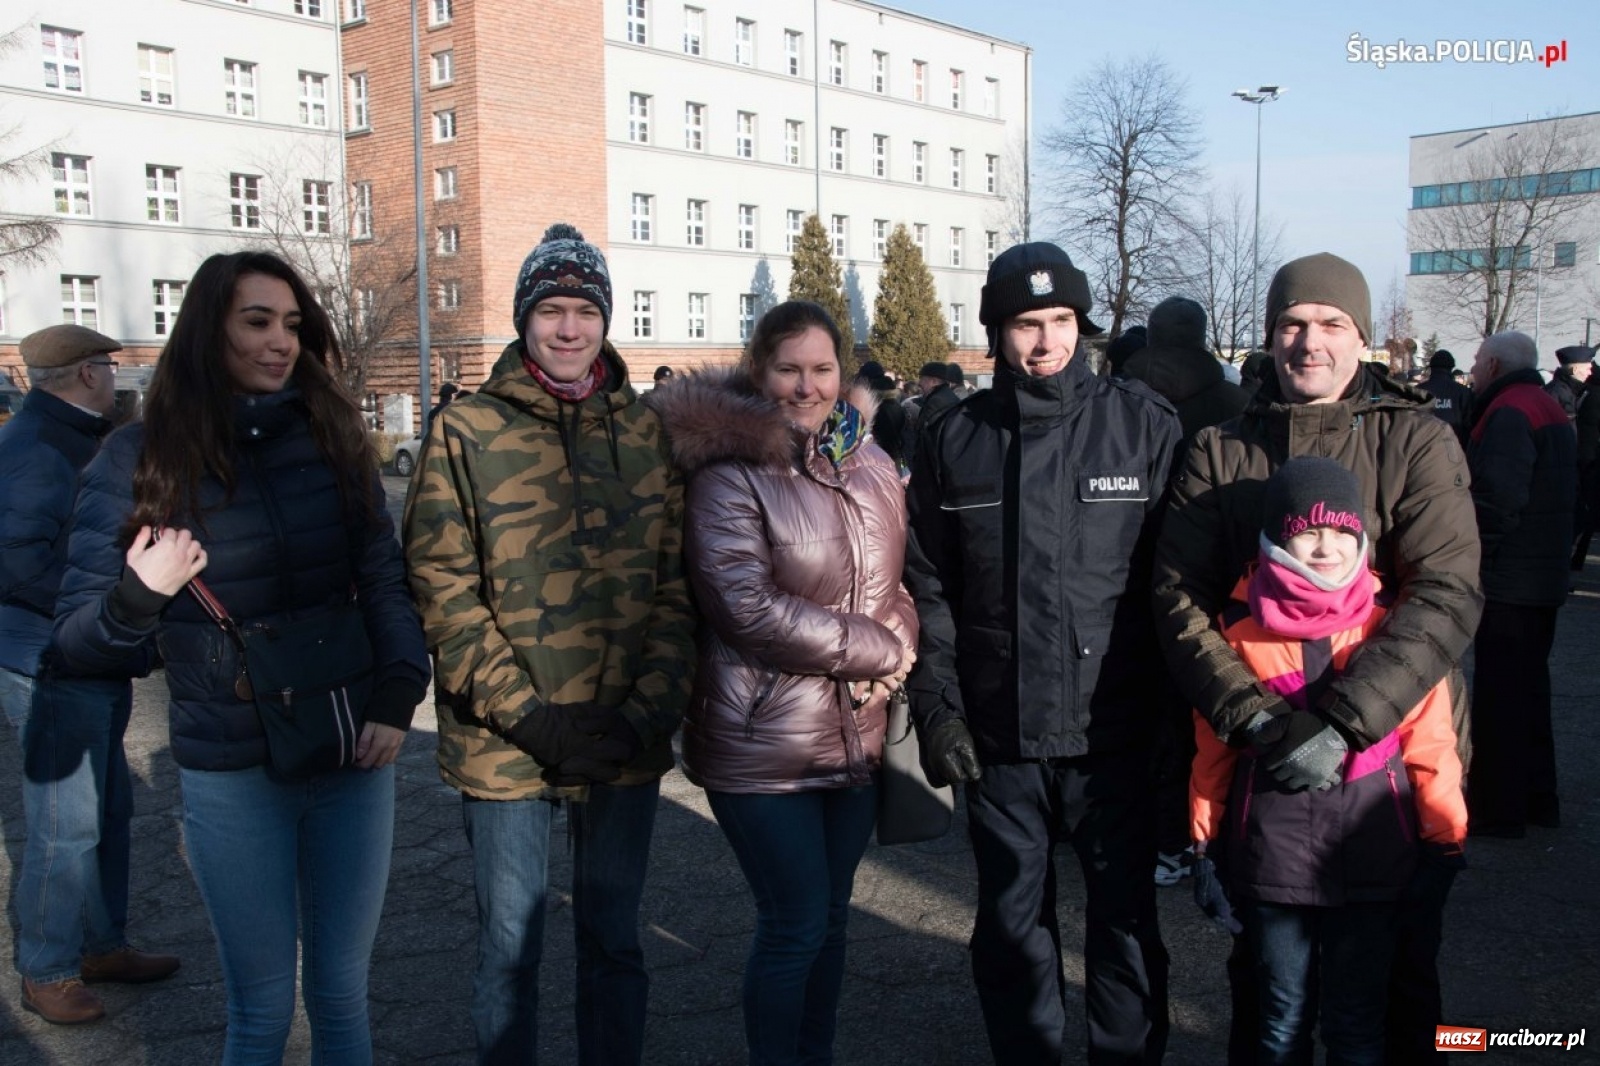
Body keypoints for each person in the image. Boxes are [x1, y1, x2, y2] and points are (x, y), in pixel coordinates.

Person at [51, 251, 430, 1062]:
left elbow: (384, 578)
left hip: (351, 748)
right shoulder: (137, 459)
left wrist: (398, 692)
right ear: (207, 330)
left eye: (292, 324)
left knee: (341, 995)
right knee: (260, 1009)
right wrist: (135, 597)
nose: (280, 341)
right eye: (256, 321)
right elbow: (75, 642)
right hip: (232, 769)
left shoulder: (332, 436)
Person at [1152, 252, 1482, 1063]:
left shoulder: (1418, 441)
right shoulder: (1219, 449)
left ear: (1362, 339)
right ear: (1269, 336)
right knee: (1267, 990)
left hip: (1388, 763)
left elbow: (1444, 595)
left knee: (1396, 983)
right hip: (1262, 769)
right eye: (1293, 323)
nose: (1311, 341)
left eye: (1333, 323)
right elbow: (1178, 600)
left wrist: (1342, 722)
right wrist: (1262, 722)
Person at [403, 223, 693, 1066]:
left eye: (585, 311)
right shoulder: (466, 434)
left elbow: (681, 590)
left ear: (606, 321)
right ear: (525, 318)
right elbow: (442, 589)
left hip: (620, 740)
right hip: (507, 746)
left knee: (613, 940)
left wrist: (645, 715)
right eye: (552, 310)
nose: (569, 329)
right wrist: (529, 718)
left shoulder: (648, 435)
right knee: (509, 951)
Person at [905, 241, 1177, 1063]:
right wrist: (937, 709)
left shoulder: (1143, 425)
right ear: (996, 331)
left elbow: (1174, 591)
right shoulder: (954, 436)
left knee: (1124, 924)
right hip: (1000, 738)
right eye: (1027, 323)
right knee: (1012, 927)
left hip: (1114, 736)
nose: (1047, 341)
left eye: (1062, 321)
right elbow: (929, 587)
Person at [651, 299, 916, 1066]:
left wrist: (899, 641)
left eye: (822, 368)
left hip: (856, 737)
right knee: (795, 921)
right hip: (761, 739)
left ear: (844, 370)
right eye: (788, 369)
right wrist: (876, 651)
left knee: (831, 918)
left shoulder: (867, 459)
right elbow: (745, 607)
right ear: (759, 371)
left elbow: (896, 583)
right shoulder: (730, 470)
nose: (807, 386)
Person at [1190, 456, 1467, 1063]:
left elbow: (1431, 744)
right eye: (1308, 530)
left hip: (1374, 857)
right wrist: (1205, 844)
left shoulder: (1390, 627)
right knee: (1281, 1019)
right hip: (1273, 859)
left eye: (1342, 532)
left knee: (1357, 1021)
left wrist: (1444, 840)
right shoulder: (1236, 629)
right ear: (1276, 536)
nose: (1326, 547)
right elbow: (1213, 749)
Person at [0, 325, 179, 1025]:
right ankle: (47, 969)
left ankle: (102, 944)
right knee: (64, 821)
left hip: (83, 654)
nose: (113, 376)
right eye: (108, 364)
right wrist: (104, 606)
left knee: (107, 809)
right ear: (84, 374)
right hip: (48, 658)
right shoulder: (39, 449)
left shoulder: (62, 437)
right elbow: (17, 565)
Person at [1122, 296, 1251, 886]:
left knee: (1137, 709)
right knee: (1197, 706)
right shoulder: (1232, 402)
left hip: (1128, 564)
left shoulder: (1123, 389)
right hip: (1209, 573)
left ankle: (1142, 830)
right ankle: (1189, 832)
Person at [1463, 331, 1576, 838]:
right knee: (1530, 690)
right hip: (1541, 572)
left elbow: (1496, 499)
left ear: (1492, 365)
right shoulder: (1546, 406)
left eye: (1477, 361)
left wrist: (1468, 556)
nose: (1472, 368)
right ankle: (1536, 798)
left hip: (1510, 577)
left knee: (1502, 695)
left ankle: (1500, 808)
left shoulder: (1509, 411)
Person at [1419, 349, 1474, 446]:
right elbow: (1470, 423)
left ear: (1431, 367)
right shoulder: (1463, 392)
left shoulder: (1417, 391)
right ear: (1451, 367)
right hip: (1454, 448)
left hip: (1423, 447)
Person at [1543, 344, 1590, 422]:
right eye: (1588, 369)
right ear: (1575, 370)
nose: (1590, 373)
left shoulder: (1574, 391)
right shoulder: (1555, 392)